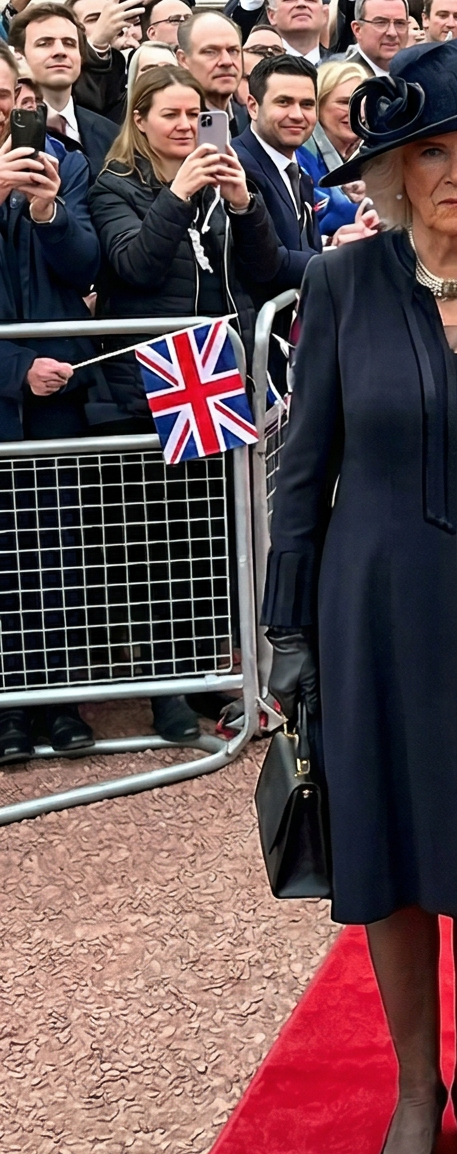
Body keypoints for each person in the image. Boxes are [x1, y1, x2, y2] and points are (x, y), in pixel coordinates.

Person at [261, 40, 457, 1154]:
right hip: (372, 603)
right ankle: (411, 1087)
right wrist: (289, 629)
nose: (455, 174)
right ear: (393, 176)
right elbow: (303, 470)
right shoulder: (342, 286)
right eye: (430, 153)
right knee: (388, 844)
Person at [89, 63, 288, 741]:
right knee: (157, 542)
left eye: (195, 116)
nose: (184, 127)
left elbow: (263, 269)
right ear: (139, 120)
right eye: (170, 115)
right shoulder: (116, 184)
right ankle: (164, 689)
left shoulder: (226, 177)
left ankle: (206, 673)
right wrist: (177, 195)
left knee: (211, 534)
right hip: (151, 380)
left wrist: (243, 205)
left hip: (216, 375)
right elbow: (134, 266)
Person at [0, 45, 103, 765]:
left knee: (56, 556)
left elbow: (87, 265)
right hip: (10, 386)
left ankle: (59, 703)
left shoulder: (63, 161)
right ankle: (8, 712)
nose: (5, 107)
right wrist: (14, 370)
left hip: (57, 394)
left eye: (12, 94)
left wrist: (46, 211)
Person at [233, 55, 322, 292]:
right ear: (253, 106)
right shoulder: (237, 167)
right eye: (283, 102)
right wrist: (339, 263)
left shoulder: (299, 172)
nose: (297, 115)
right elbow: (269, 262)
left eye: (307, 104)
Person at [14, 5, 116, 175]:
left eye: (69, 44)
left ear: (81, 57)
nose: (60, 51)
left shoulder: (112, 135)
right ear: (19, 56)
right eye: (44, 43)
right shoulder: (6, 127)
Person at [303, 57, 373, 238]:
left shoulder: (369, 155)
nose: (355, 112)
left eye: (362, 103)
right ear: (318, 104)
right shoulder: (301, 155)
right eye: (343, 102)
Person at [176, 10, 251, 136]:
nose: (226, 61)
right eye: (210, 52)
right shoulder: (174, 128)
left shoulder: (253, 120)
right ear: (183, 60)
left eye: (233, 51)